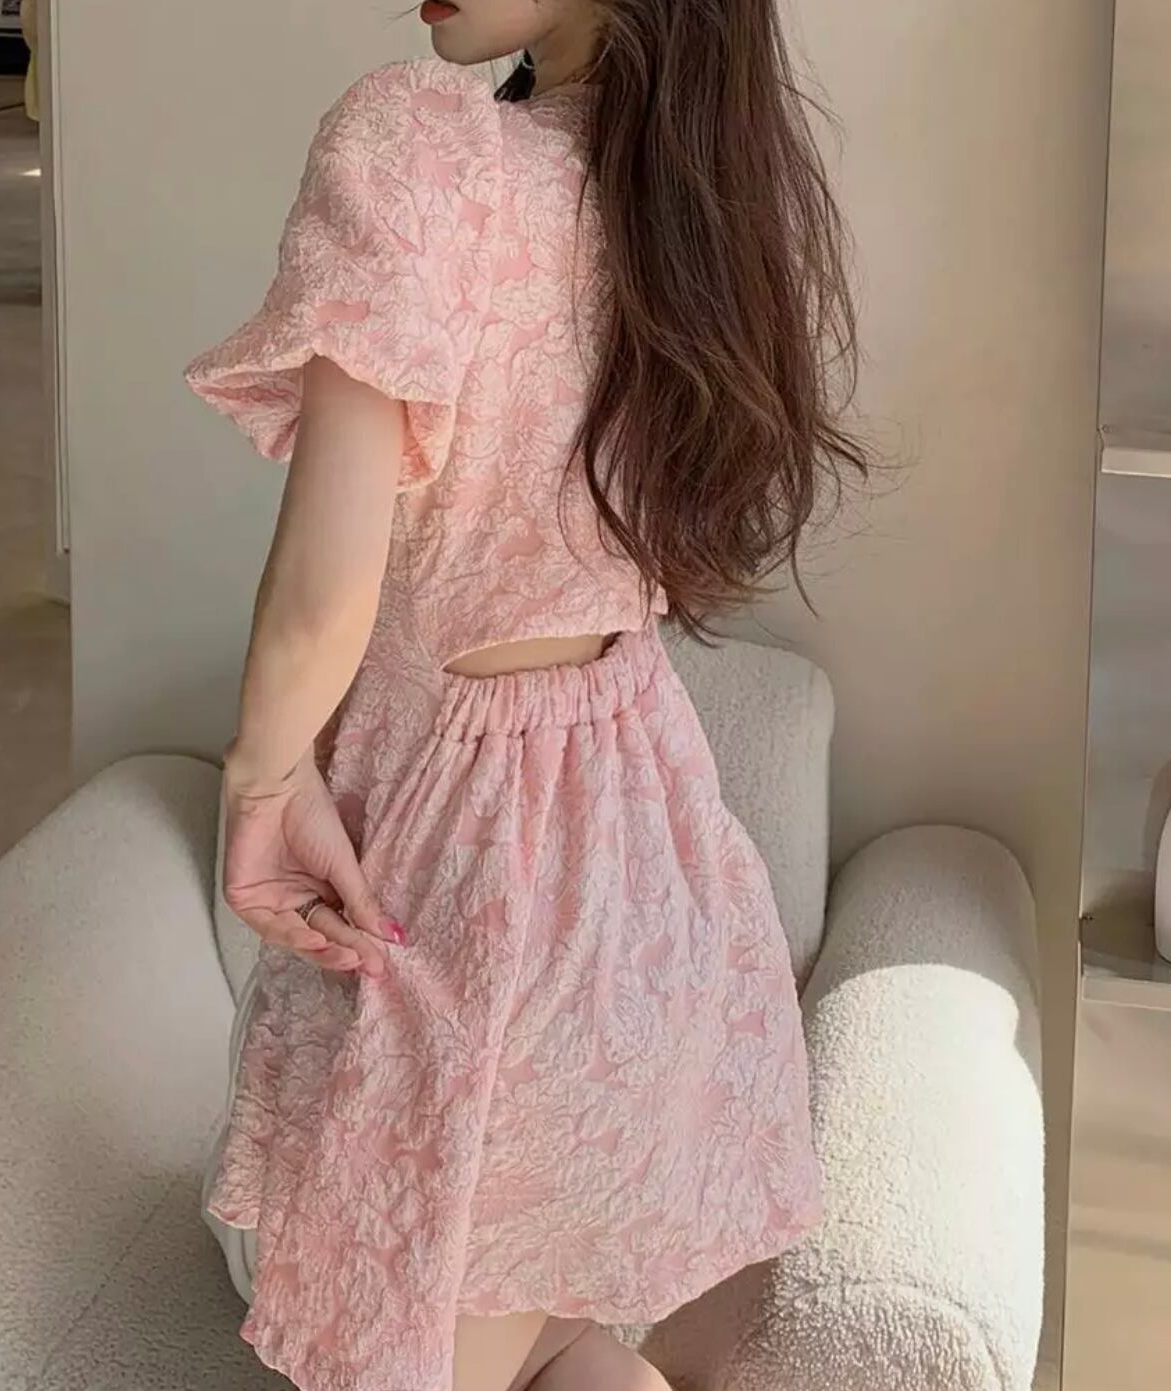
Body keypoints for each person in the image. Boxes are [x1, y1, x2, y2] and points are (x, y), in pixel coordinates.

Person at [185, 2, 867, 1388]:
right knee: (562, 1346)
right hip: (646, 870)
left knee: (434, 1344)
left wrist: (264, 782)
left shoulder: (416, 143)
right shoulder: (707, 205)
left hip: (468, 876)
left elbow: (324, 591)